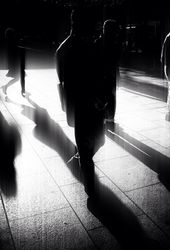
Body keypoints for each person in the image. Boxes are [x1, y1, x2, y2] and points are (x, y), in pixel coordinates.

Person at [56, 9, 107, 195]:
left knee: (98, 141)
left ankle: (83, 159)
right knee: (89, 144)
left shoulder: (76, 46)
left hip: (87, 104)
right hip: (83, 105)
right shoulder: (70, 48)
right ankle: (90, 185)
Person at [95, 19, 121, 123]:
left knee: (105, 96)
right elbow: (115, 61)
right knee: (110, 96)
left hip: (104, 75)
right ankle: (109, 117)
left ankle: (106, 117)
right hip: (108, 75)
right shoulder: (113, 43)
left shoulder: (98, 42)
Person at [2, 27, 26, 97]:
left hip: (17, 63)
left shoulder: (11, 42)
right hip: (16, 63)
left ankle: (23, 90)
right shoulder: (12, 42)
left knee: (20, 77)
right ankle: (6, 86)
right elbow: (15, 53)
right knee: (19, 77)